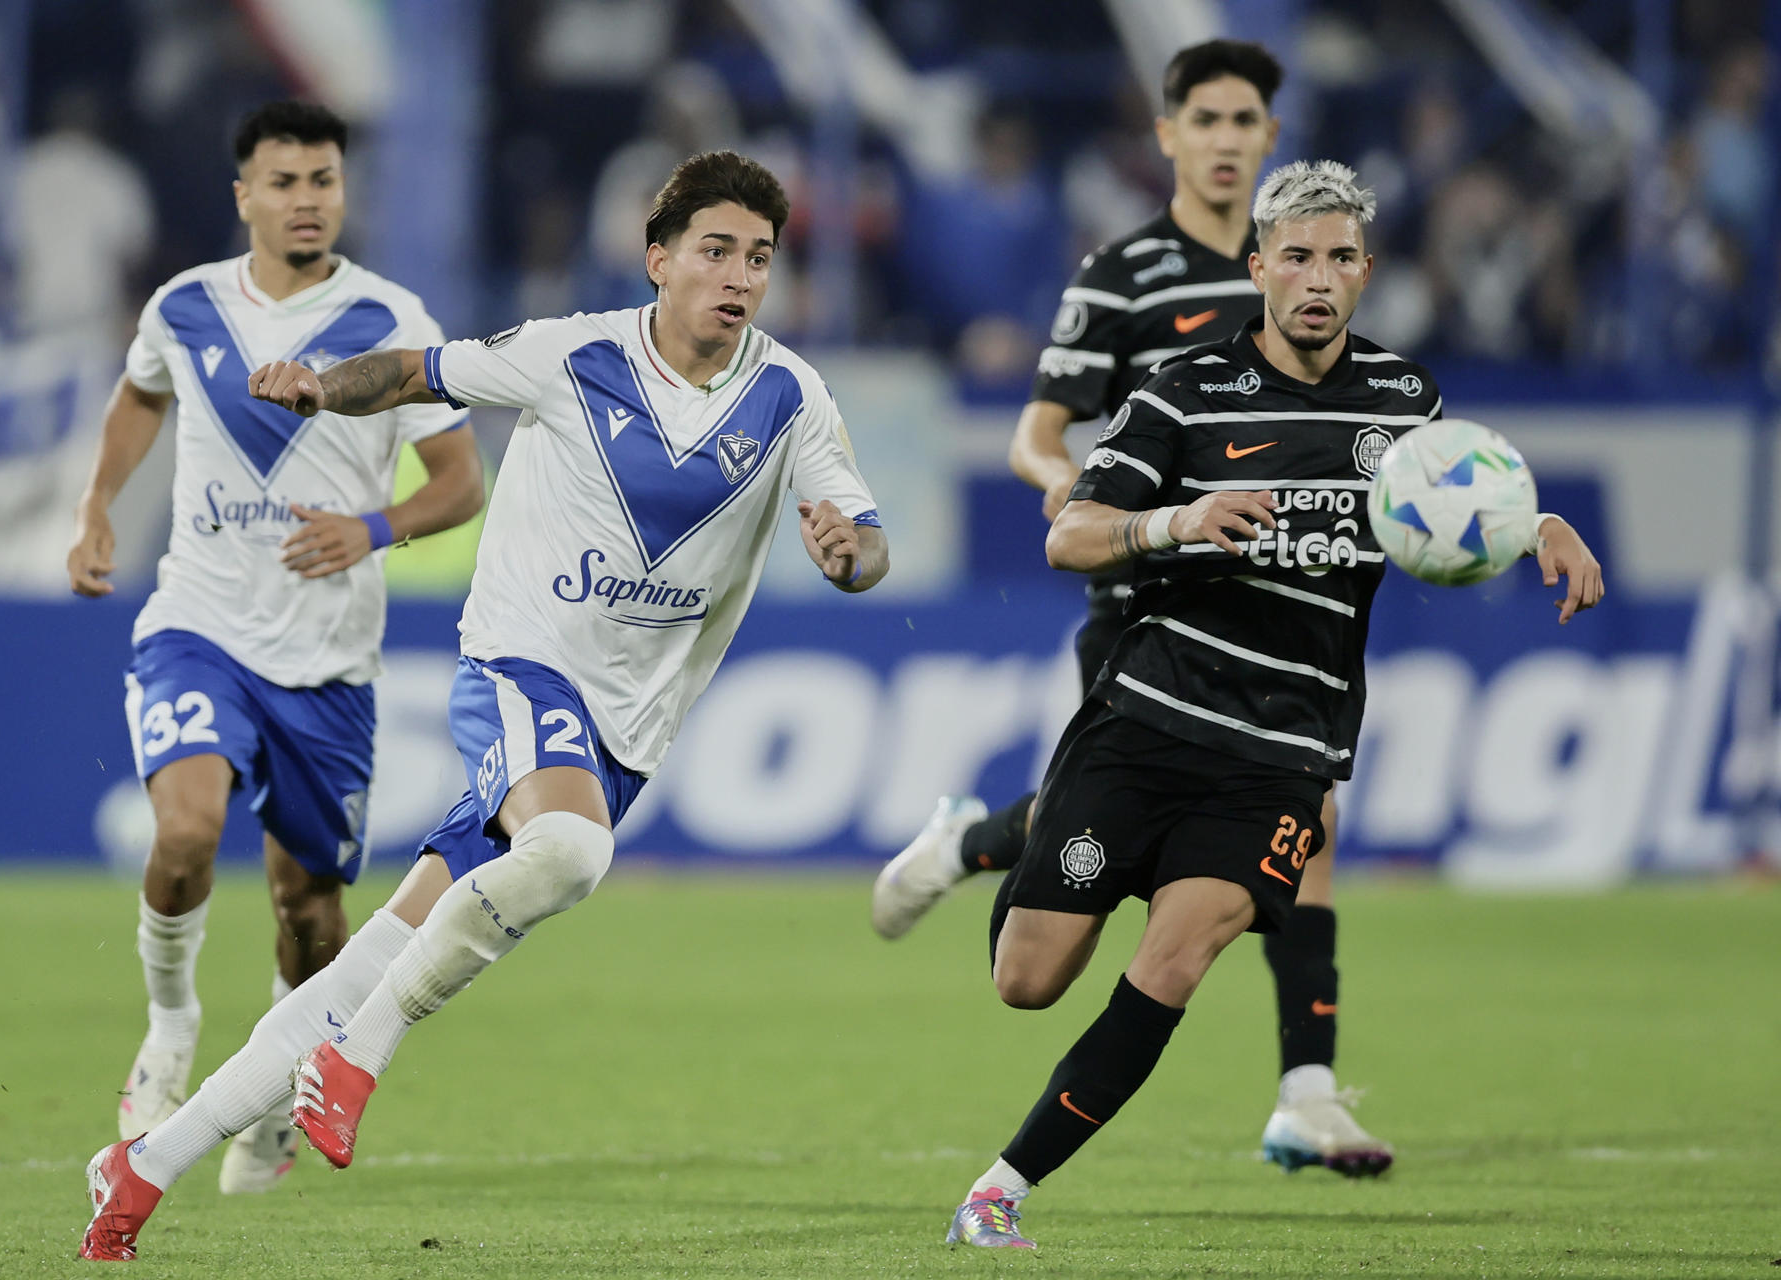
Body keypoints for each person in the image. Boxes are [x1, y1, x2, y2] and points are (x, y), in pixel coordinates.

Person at [78, 149, 890, 1261]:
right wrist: (323, 382)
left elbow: (861, 534)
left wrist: (850, 554)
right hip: (519, 666)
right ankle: (360, 1052)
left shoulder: (791, 393)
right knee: (569, 852)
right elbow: (415, 370)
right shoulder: (573, 352)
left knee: (372, 951)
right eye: (715, 250)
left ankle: (143, 1163)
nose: (740, 274)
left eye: (759, 255)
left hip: (624, 728)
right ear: (659, 260)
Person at [943, 159, 1604, 1250]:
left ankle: (1000, 1188)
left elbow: (1472, 499)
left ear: (1366, 272)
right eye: (1295, 255)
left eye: (1340, 257)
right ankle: (1005, 850)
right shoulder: (1186, 391)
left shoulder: (1405, 401)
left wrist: (1543, 528)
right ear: (1258, 268)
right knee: (1028, 977)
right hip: (1145, 723)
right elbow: (1070, 535)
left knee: (1178, 958)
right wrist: (1177, 521)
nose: (1318, 278)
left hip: (1279, 758)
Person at [874, 39, 1387, 1175]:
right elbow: (1038, 429)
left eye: (1245, 121)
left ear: (1269, 138)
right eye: (1203, 119)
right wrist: (1083, 495)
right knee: (1090, 835)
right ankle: (970, 842)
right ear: (1167, 136)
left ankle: (1307, 1085)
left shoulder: (1306, 269)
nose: (1224, 140)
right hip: (1141, 597)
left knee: (1306, 829)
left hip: (1282, 622)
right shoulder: (1124, 273)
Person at [64, 101, 485, 1196]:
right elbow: (138, 397)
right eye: (285, 180)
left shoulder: (391, 319)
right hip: (200, 625)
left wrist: (376, 527)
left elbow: (461, 481)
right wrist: (99, 505)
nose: (307, 199)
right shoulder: (185, 305)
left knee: (309, 908)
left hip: (331, 664)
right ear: (243, 193)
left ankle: (277, 1076)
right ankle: (169, 1023)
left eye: (324, 180)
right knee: (187, 827)